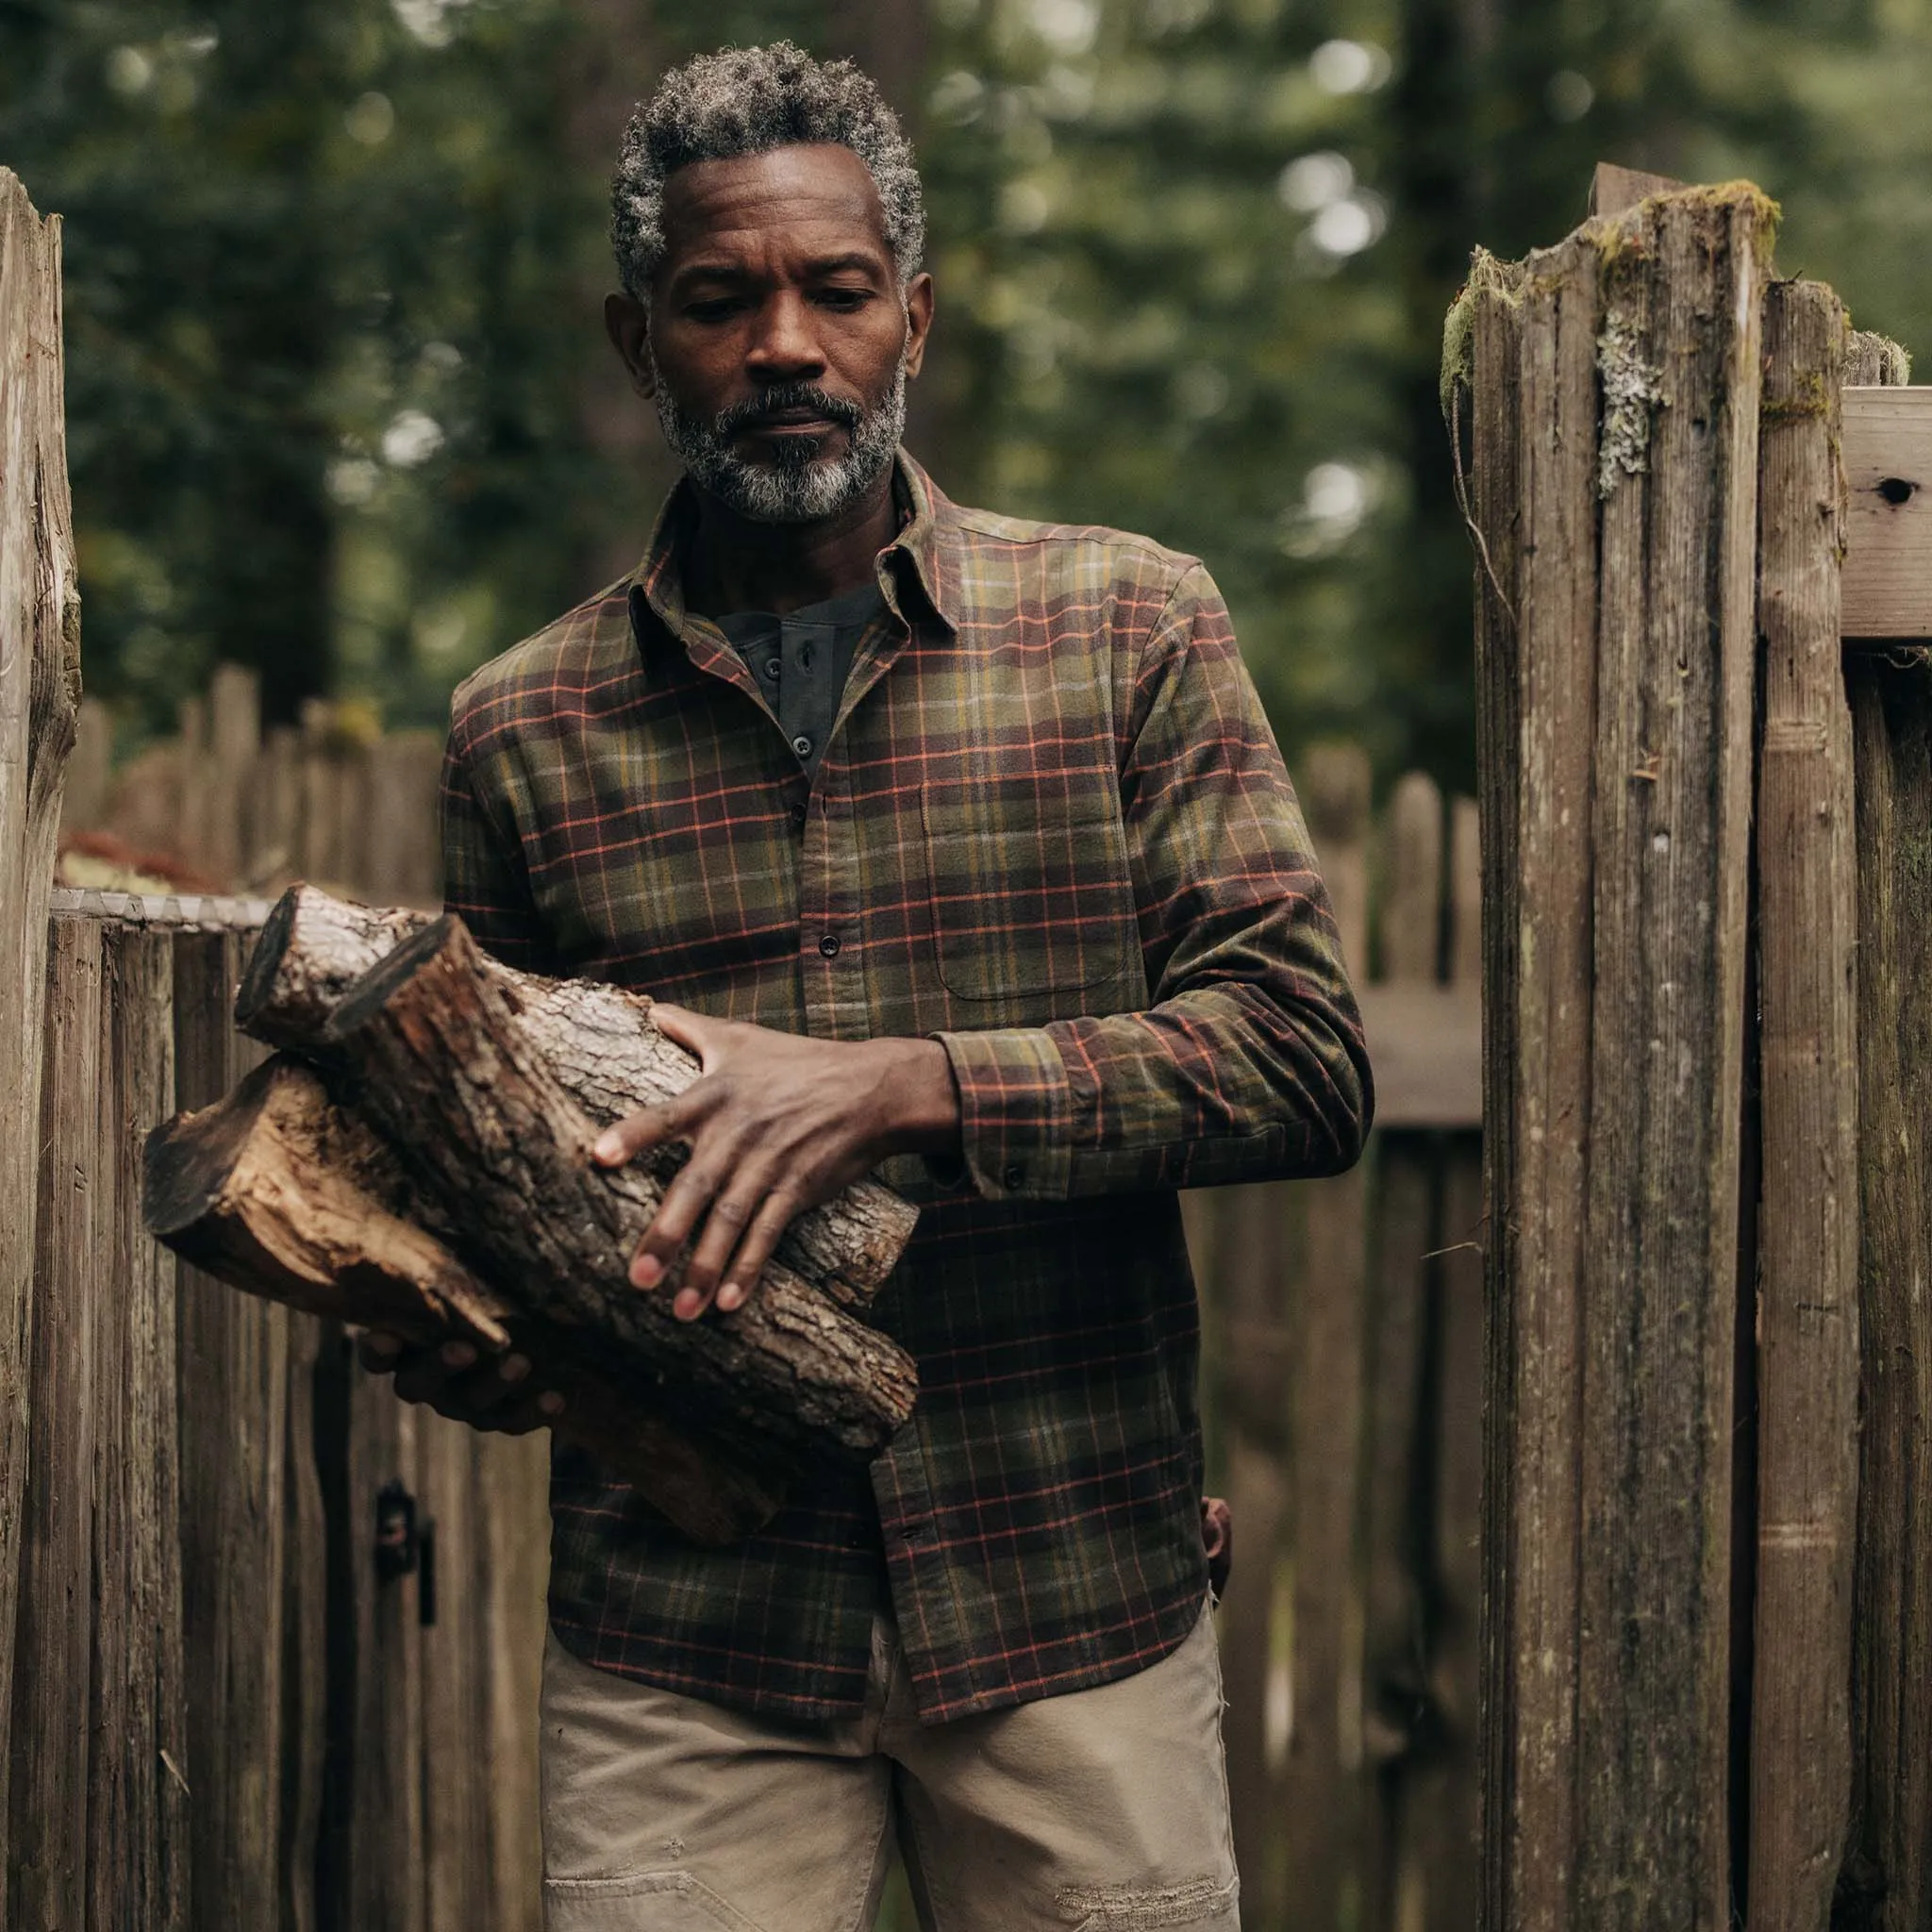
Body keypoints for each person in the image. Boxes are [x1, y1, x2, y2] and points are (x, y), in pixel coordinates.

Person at [361, 40, 1371, 1932]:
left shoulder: (1130, 627)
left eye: (835, 290)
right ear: (634, 336)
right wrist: (469, 1327)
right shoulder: (520, 729)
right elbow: (490, 1173)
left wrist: (901, 1087)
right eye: (716, 300)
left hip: (1070, 1588)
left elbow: (1302, 1060)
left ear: (914, 314)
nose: (783, 347)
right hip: (688, 1637)